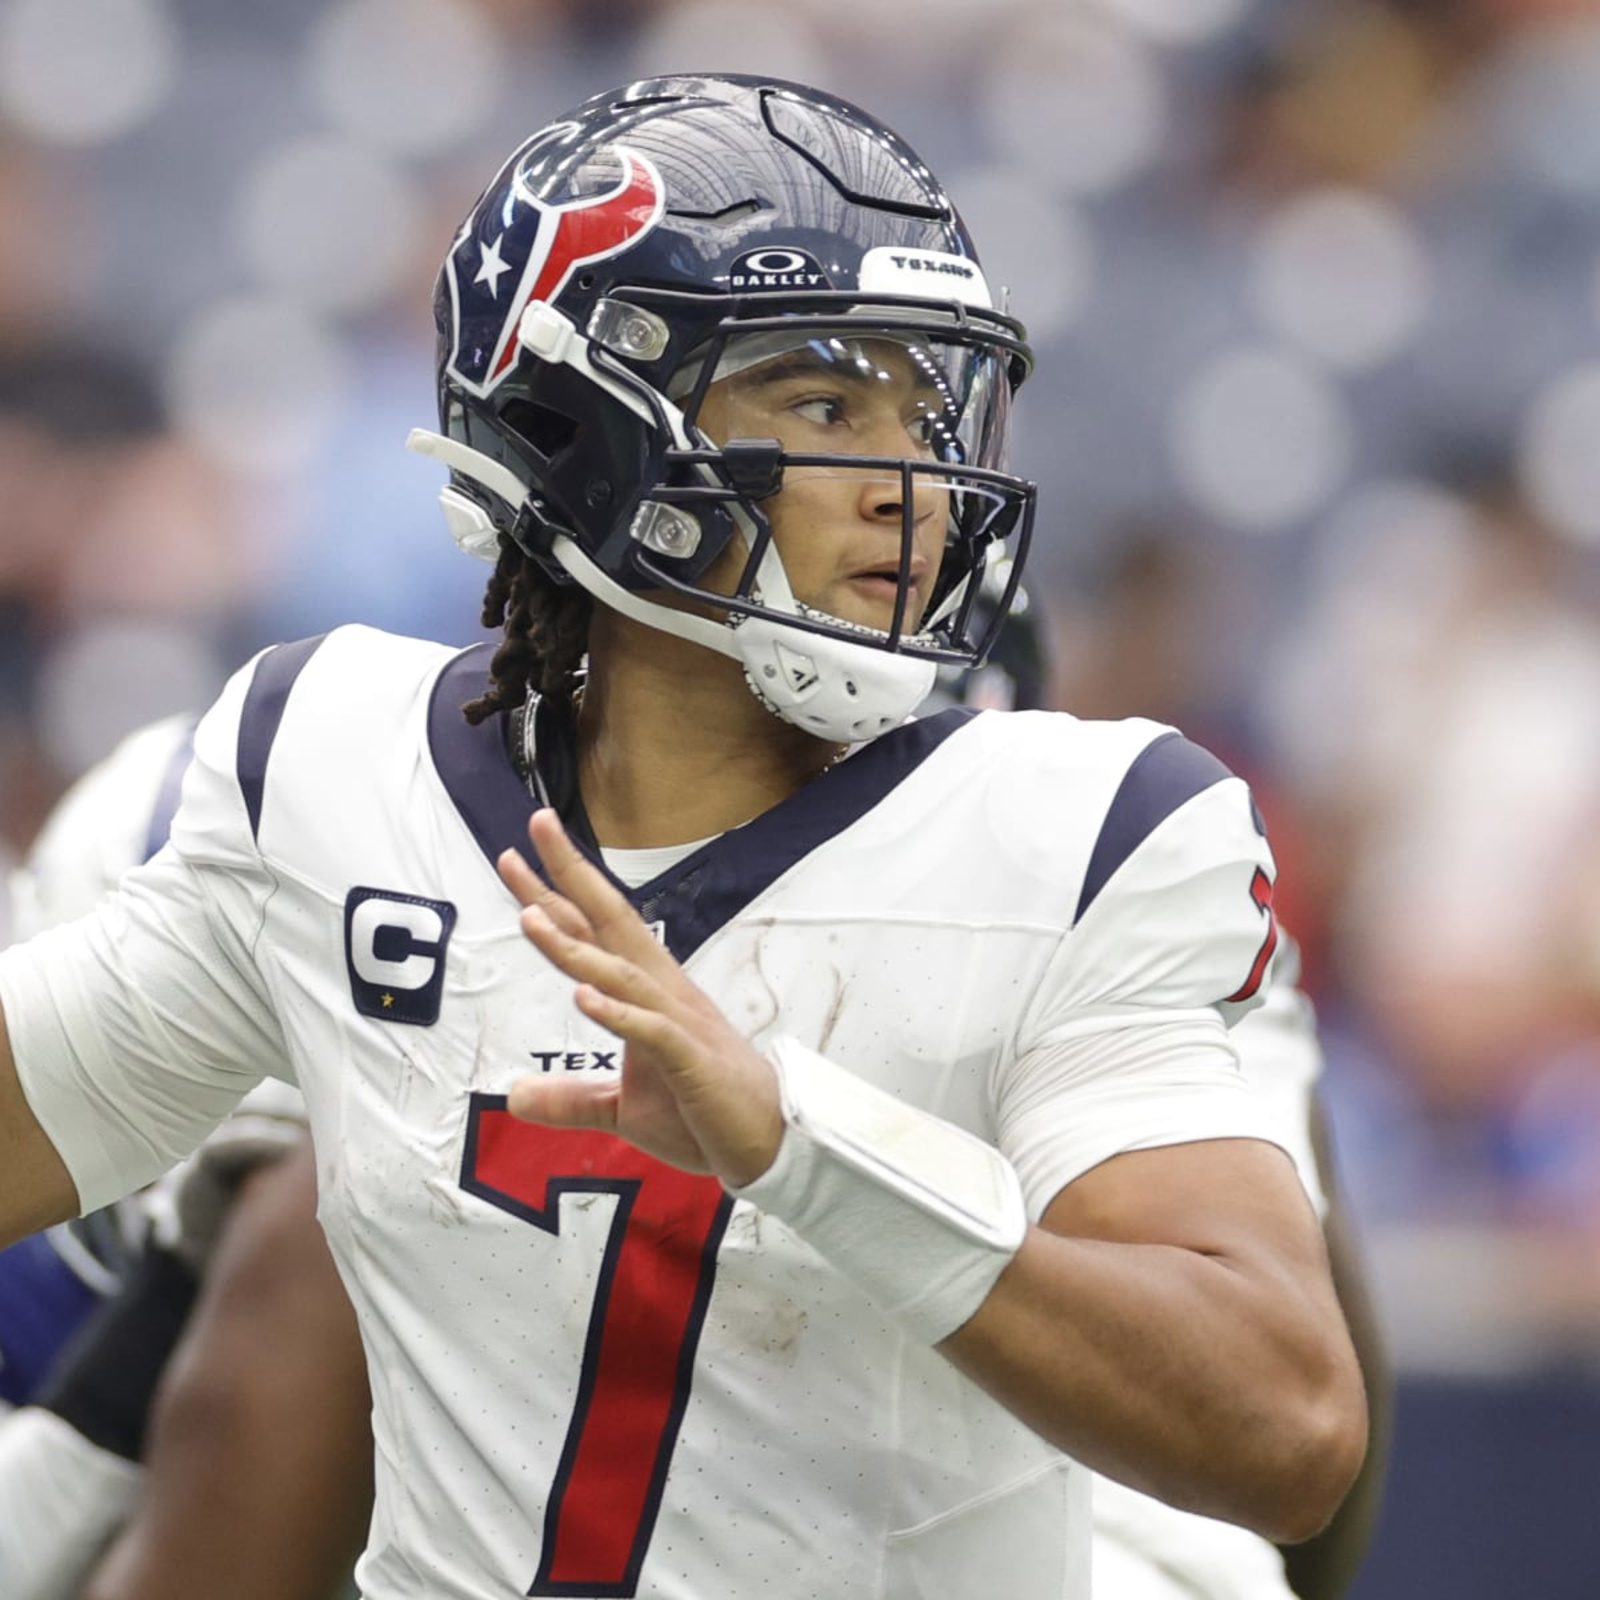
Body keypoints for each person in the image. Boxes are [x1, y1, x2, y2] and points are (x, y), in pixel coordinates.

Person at [0, 73, 1366, 1598]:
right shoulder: (330, 769)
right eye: (829, 402)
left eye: (929, 408)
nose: (910, 487)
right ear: (579, 420)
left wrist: (801, 1147)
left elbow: (1290, 1431)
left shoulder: (1083, 830)